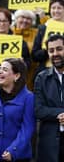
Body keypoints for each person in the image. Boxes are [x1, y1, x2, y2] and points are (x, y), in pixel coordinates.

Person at [34, 34, 64, 162]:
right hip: (49, 144)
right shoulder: (41, 78)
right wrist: (61, 114)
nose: (55, 53)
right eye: (51, 51)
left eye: (59, 49)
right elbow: (38, 110)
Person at [32, 0, 64, 77]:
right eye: (53, 8)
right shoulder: (43, 28)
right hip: (46, 72)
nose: (56, 11)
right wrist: (50, 50)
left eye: (59, 8)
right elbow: (35, 55)